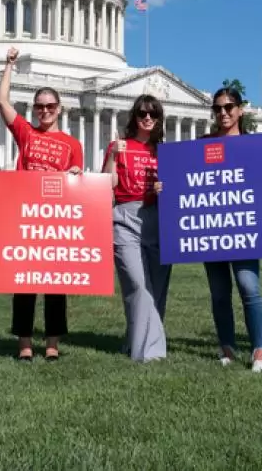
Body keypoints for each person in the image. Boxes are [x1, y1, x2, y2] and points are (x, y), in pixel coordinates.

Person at [0, 47, 83, 361]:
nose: (44, 110)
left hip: (56, 217)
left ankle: (52, 342)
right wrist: (9, 65)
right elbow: (2, 102)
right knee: (25, 283)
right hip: (25, 214)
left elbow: (78, 186)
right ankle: (24, 341)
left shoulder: (73, 144)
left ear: (59, 109)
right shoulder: (26, 132)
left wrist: (75, 174)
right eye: (39, 106)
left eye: (49, 106)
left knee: (56, 284)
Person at [201, 86, 262, 373]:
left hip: (242, 227)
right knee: (219, 292)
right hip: (210, 228)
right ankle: (227, 346)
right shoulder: (203, 143)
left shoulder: (252, 146)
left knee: (248, 286)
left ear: (240, 110)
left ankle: (259, 348)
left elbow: (260, 183)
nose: (223, 113)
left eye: (229, 107)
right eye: (218, 108)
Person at [102, 94, 170, 363]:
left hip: (158, 218)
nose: (148, 118)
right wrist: (113, 158)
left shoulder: (163, 152)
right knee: (138, 285)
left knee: (158, 288)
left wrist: (163, 189)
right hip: (125, 217)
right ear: (134, 117)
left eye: (153, 114)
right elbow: (107, 185)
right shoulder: (120, 147)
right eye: (143, 114)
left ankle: (134, 341)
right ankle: (149, 353)